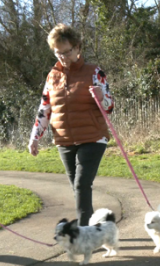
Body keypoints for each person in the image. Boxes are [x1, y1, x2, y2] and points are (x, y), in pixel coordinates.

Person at [28, 23, 114, 226]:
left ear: (77, 48)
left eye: (66, 52)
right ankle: (92, 226)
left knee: (82, 184)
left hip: (93, 136)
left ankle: (84, 232)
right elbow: (45, 108)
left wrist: (102, 97)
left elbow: (109, 107)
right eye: (58, 53)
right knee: (77, 187)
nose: (63, 57)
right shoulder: (52, 76)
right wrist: (35, 137)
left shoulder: (94, 72)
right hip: (64, 139)